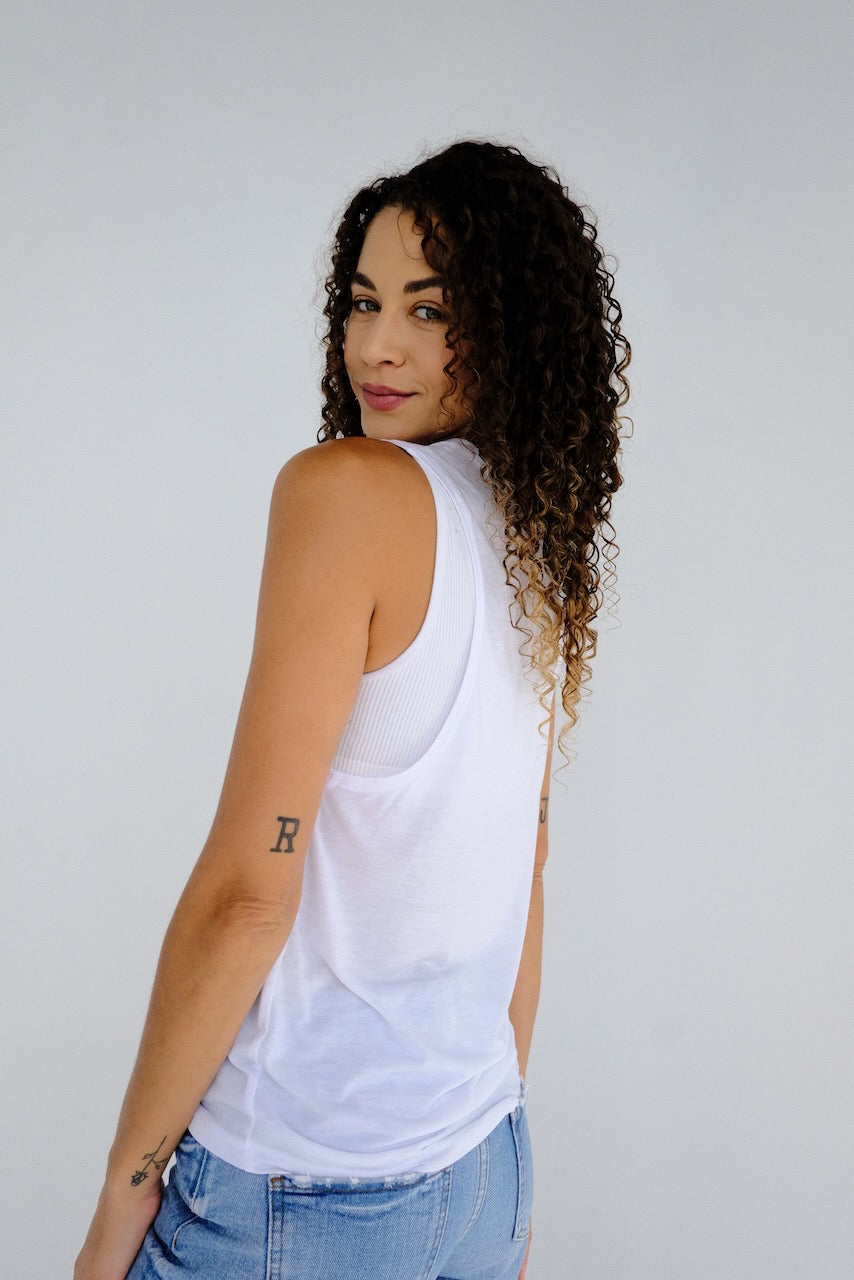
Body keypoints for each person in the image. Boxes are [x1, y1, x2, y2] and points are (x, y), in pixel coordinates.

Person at [75, 138, 630, 1280]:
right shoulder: (534, 538)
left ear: (512, 328)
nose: (377, 345)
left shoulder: (345, 493)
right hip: (484, 1165)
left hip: (301, 1190)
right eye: (364, 302)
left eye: (430, 311)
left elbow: (248, 896)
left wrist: (123, 1194)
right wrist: (496, 1175)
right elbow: (523, 877)